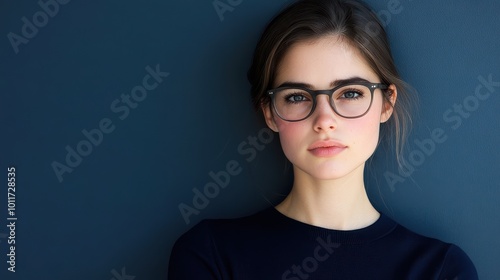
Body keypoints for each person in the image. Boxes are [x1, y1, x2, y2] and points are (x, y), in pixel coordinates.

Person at [168, 0, 478, 279]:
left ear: (386, 103)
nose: (324, 121)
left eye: (351, 93)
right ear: (270, 113)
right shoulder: (210, 255)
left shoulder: (441, 270)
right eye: (297, 97)